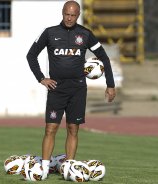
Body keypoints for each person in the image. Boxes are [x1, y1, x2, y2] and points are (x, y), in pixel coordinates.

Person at [26, 0, 116, 180]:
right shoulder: (50, 33)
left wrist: (110, 85)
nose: (69, 18)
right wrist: (41, 78)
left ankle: (69, 168)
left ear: (78, 15)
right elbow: (31, 55)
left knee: (73, 129)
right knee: (50, 129)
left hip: (77, 89)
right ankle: (43, 169)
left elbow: (104, 57)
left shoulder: (85, 34)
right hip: (56, 89)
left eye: (73, 15)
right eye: (67, 14)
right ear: (62, 12)